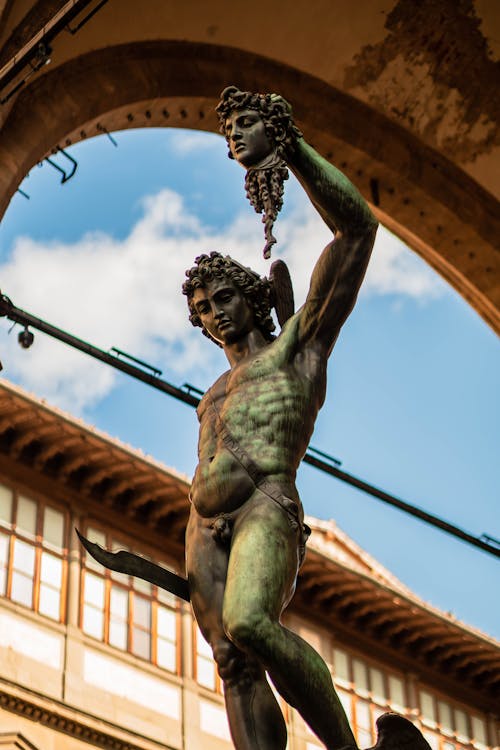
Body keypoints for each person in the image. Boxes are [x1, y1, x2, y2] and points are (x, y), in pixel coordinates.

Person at [182, 86, 377, 750]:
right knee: (233, 662)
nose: (215, 313)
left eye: (225, 297)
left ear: (255, 295)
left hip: (268, 502)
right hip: (205, 527)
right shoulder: (211, 394)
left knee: (251, 623)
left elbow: (358, 231)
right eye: (204, 307)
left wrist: (288, 146)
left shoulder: (300, 346)